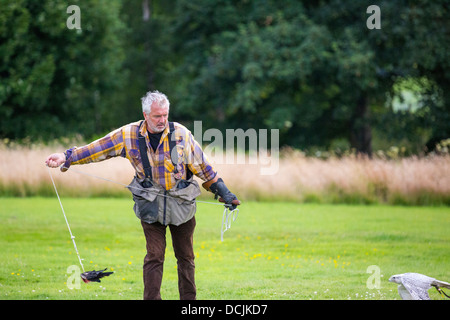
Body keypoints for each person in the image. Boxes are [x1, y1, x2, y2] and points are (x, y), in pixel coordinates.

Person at [45, 90, 240, 300]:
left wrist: (224, 192)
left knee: (186, 257)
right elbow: (96, 149)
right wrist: (66, 157)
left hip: (182, 205)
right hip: (150, 206)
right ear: (145, 115)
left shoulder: (181, 134)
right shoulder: (128, 134)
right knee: (154, 256)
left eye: (165, 115)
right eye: (157, 116)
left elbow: (204, 167)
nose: (162, 120)